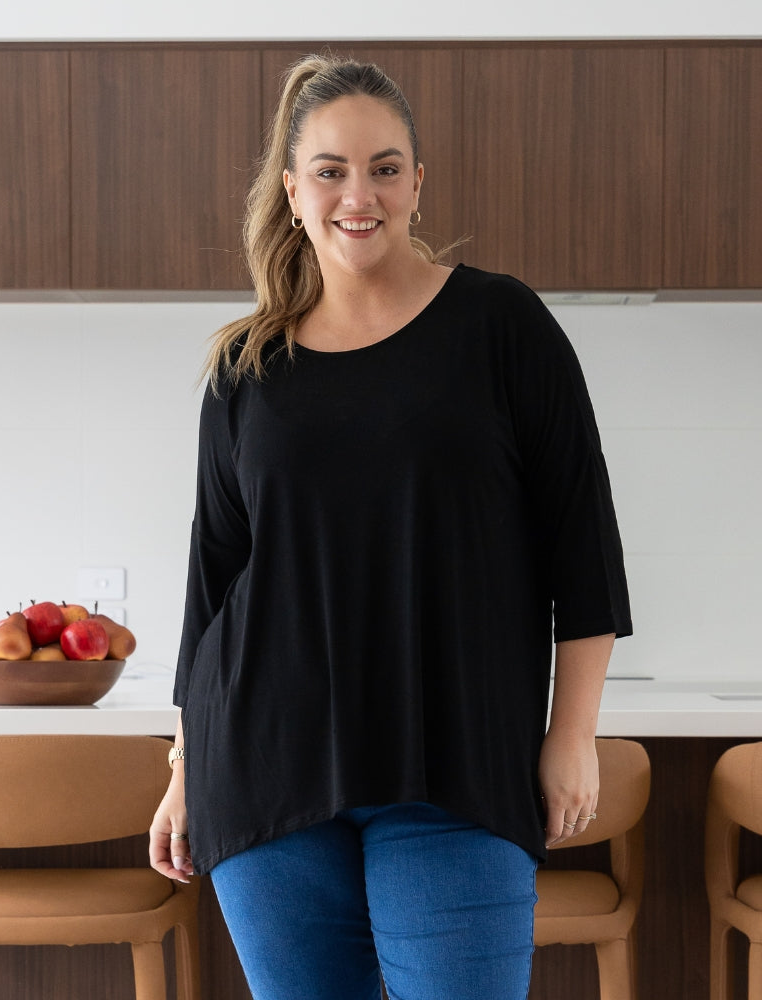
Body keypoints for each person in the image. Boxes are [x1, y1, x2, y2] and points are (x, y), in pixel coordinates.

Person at [149, 52, 632, 1000]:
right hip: (266, 764)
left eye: (382, 166)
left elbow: (584, 541)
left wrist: (571, 733)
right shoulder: (247, 367)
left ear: (418, 181)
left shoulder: (502, 324)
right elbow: (214, 578)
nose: (356, 193)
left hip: (452, 764)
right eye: (329, 170)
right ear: (294, 193)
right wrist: (183, 767)